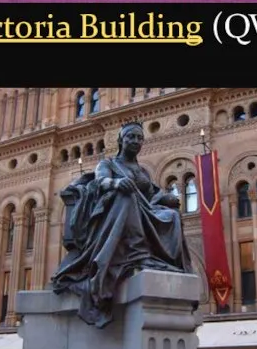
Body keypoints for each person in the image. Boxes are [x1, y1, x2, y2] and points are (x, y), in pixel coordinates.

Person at [52, 122, 194, 328]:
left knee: (171, 215)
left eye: (139, 138)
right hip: (113, 214)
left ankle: (162, 260)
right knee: (126, 199)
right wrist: (117, 183)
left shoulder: (142, 172)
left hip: (143, 212)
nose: (136, 141)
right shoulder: (108, 164)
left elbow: (151, 195)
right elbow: (101, 182)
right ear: (121, 140)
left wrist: (165, 199)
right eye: (131, 137)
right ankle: (136, 254)